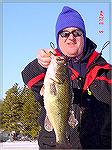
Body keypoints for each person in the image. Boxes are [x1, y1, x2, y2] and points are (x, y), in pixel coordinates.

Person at [21, 6, 111, 149]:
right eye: (64, 33)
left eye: (77, 32)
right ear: (58, 38)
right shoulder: (48, 68)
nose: (71, 37)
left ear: (84, 36)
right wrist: (40, 65)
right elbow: (29, 77)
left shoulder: (106, 72)